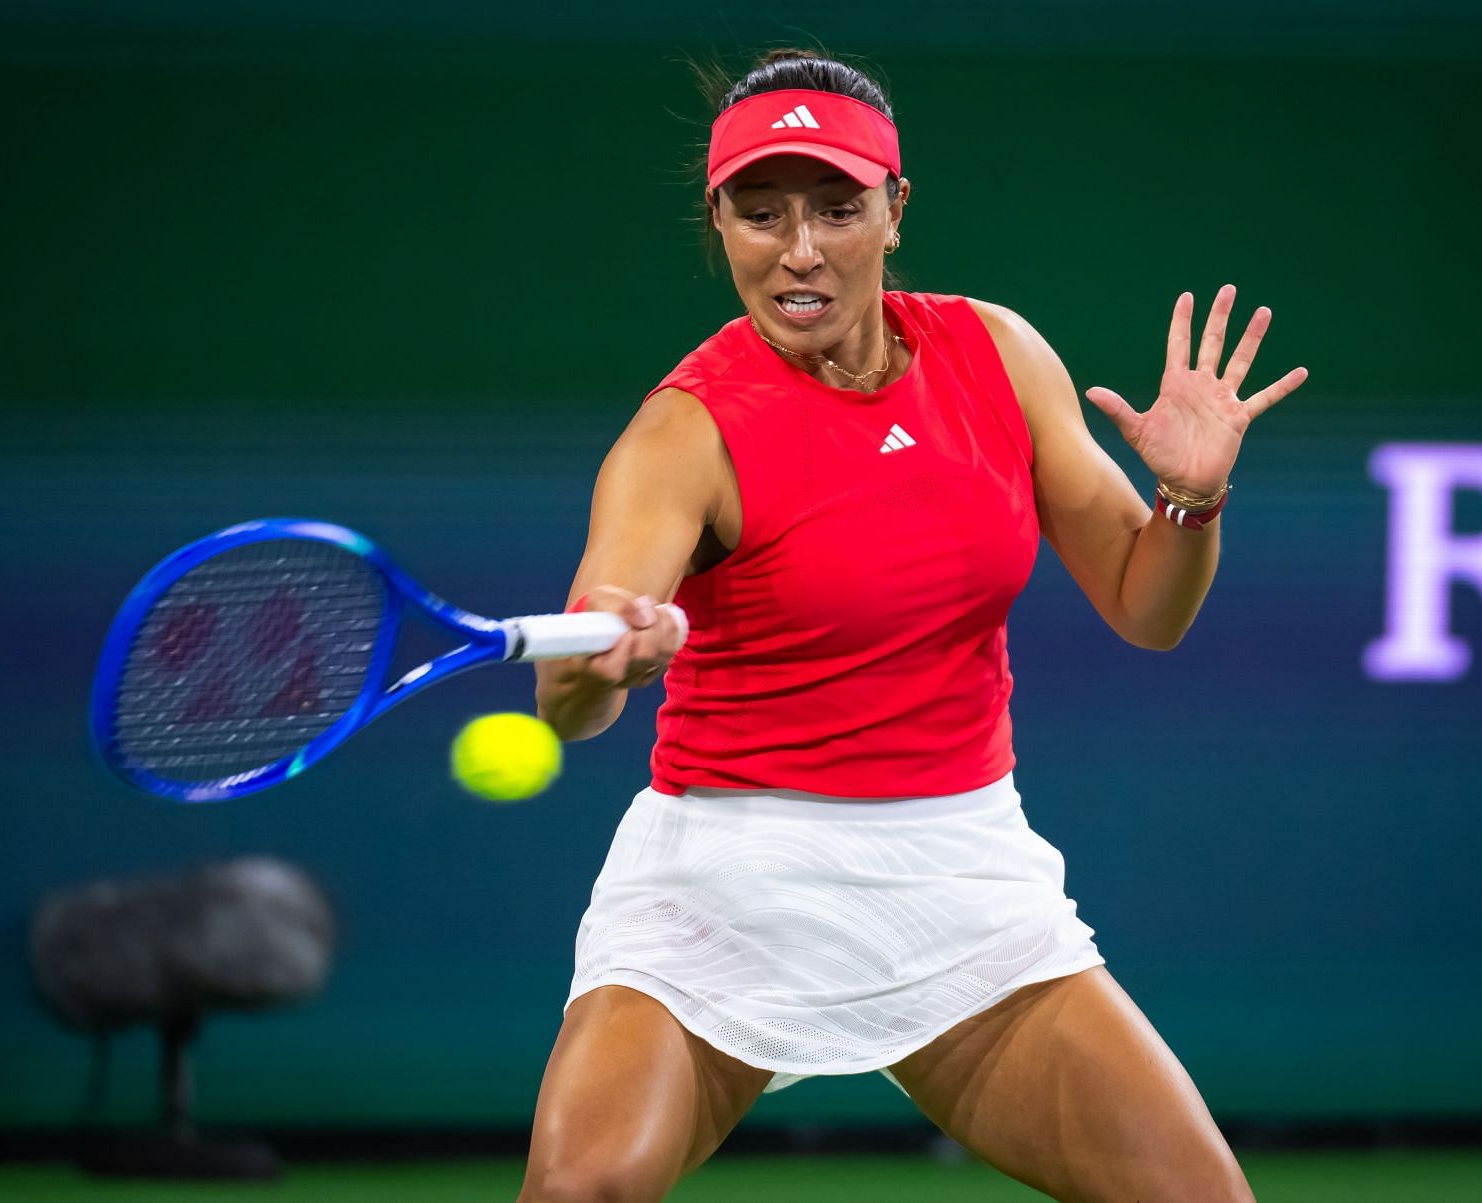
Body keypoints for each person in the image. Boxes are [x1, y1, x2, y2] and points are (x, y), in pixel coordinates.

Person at [524, 48, 1306, 1203]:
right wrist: (612, 657)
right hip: (729, 874)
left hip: (958, 870)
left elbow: (1148, 609)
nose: (799, 251)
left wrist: (1189, 500)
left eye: (837, 209)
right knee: (579, 1191)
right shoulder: (684, 433)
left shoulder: (995, 355)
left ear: (894, 211)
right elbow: (568, 699)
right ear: (721, 223)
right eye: (762, 212)